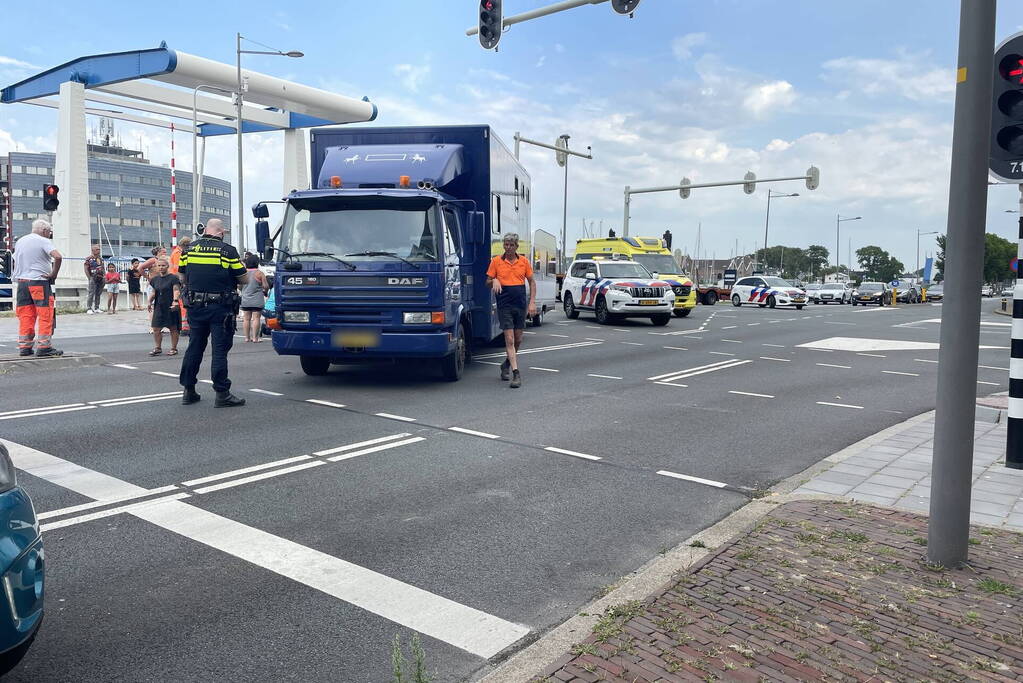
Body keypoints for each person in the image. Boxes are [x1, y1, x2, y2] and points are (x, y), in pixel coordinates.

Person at [177, 218, 247, 407]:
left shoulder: (188, 250)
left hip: (195, 306)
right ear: (221, 232)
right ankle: (222, 393)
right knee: (219, 351)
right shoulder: (227, 251)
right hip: (220, 308)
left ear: (205, 230)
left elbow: (182, 277)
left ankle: (188, 390)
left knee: (194, 347)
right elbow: (244, 278)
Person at [485, 233, 537, 389]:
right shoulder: (496, 262)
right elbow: (487, 281)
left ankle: (506, 364)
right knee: (509, 339)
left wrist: (532, 302)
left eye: (511, 245)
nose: (508, 247)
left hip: (520, 303)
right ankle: (516, 373)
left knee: (518, 339)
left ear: (516, 246)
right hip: (504, 304)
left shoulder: (524, 262)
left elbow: (532, 282)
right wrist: (493, 280)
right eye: (506, 244)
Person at [13, 219, 63, 357]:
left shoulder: (21, 241)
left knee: (25, 314)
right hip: (39, 282)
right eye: (49, 232)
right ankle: (44, 346)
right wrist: (53, 274)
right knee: (45, 314)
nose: (49, 235)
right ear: (44, 231)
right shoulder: (43, 240)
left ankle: (25, 346)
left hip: (22, 283)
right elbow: (58, 257)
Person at [147, 257, 181, 356]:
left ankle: (174, 348)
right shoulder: (155, 279)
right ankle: (158, 348)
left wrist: (175, 301)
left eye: (163, 265)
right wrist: (149, 302)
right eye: (159, 266)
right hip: (159, 306)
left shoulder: (173, 278)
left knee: (173, 328)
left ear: (167, 266)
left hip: (170, 306)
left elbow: (176, 290)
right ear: (156, 267)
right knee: (156, 328)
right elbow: (154, 292)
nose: (161, 267)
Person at [240, 254, 269, 342]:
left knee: (246, 318)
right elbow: (266, 286)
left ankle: (247, 337)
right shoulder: (259, 273)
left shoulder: (243, 273)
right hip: (257, 299)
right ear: (257, 263)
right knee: (256, 318)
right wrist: (265, 291)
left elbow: (239, 286)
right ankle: (255, 338)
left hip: (245, 299)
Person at [83, 244, 104, 314]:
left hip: (100, 277)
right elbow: (86, 269)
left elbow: (103, 267)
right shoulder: (88, 259)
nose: (99, 251)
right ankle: (89, 308)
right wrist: (89, 278)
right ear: (93, 250)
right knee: (91, 293)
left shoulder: (100, 259)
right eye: (97, 249)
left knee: (98, 293)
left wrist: (104, 276)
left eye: (99, 249)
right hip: (93, 277)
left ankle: (97, 307)